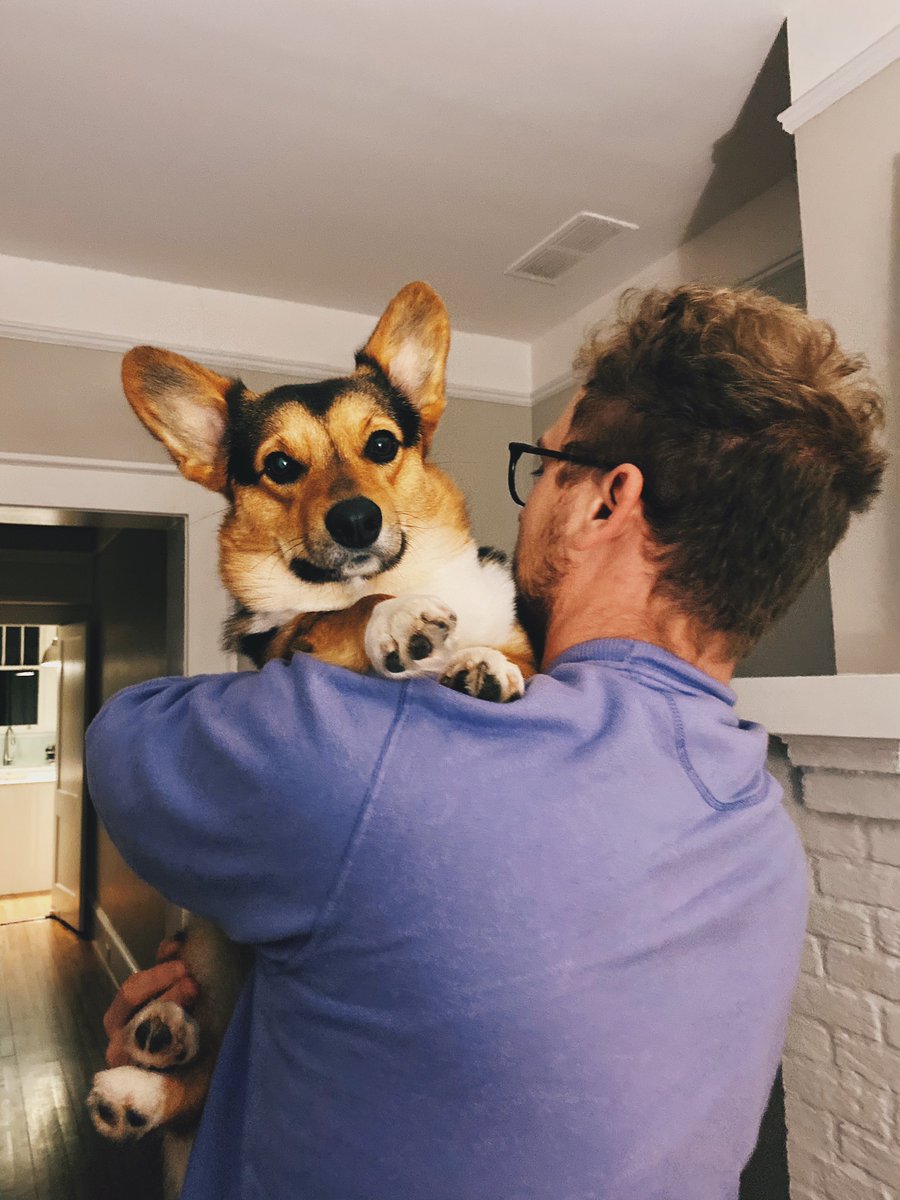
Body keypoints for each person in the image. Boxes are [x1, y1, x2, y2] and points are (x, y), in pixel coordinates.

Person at [87, 284, 886, 1200]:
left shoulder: (376, 755)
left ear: (603, 502)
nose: (525, 497)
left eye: (546, 466)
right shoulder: (769, 840)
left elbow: (123, 743)